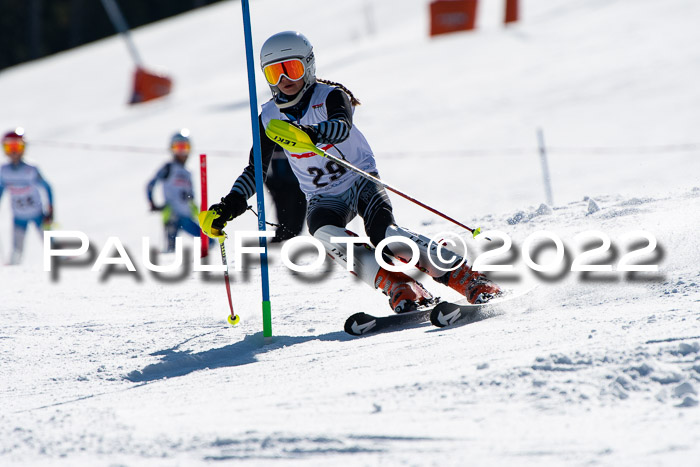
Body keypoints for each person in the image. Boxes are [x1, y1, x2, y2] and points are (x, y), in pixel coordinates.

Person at [204, 31, 500, 313]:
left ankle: (468, 278)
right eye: (274, 73)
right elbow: (256, 169)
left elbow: (341, 126)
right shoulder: (269, 116)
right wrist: (228, 206)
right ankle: (401, 287)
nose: (283, 79)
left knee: (387, 237)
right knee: (324, 232)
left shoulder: (331, 95)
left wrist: (311, 133)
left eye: (291, 69)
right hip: (322, 196)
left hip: (360, 181)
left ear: (308, 66)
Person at [0, 128, 54, 265]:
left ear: (24, 147)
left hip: (38, 214)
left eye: (16, 146)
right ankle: (12, 272)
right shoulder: (4, 172)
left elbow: (47, 188)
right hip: (18, 217)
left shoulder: (31, 169)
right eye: (9, 146)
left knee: (50, 242)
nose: (13, 151)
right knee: (16, 252)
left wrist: (51, 210)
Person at [146, 129, 205, 253]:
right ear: (172, 149)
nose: (182, 152)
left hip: (186, 216)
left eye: (185, 147)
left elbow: (191, 196)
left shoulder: (188, 172)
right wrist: (152, 203)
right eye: (178, 147)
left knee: (208, 242)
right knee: (171, 251)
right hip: (172, 216)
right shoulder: (168, 168)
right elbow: (150, 185)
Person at [264, 145, 306, 242]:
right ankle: (283, 234)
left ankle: (291, 235)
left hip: (300, 180)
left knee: (298, 213)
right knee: (285, 209)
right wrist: (269, 180)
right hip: (280, 180)